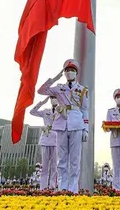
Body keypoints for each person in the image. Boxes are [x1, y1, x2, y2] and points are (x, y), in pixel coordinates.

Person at [37, 59, 89, 193]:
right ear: (64, 73)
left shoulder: (82, 90)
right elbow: (41, 90)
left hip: (77, 124)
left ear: (76, 73)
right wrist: (55, 78)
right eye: (67, 71)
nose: (69, 72)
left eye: (72, 70)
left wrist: (85, 129)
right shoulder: (59, 87)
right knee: (62, 158)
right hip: (61, 124)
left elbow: (85, 110)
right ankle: (62, 187)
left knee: (75, 159)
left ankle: (73, 188)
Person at [30, 96, 60, 190]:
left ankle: (52, 186)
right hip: (46, 139)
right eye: (52, 98)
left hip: (56, 139)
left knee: (54, 166)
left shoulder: (61, 110)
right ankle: (43, 187)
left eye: (55, 98)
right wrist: (41, 103)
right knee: (45, 166)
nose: (53, 100)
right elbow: (32, 112)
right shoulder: (45, 111)